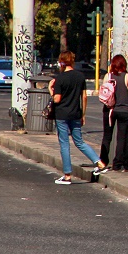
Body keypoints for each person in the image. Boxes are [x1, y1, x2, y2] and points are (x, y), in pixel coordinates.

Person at [49, 51, 106, 184]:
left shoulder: (60, 78)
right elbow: (84, 97)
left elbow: (57, 99)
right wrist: (83, 114)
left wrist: (51, 89)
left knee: (64, 143)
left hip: (62, 114)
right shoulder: (80, 76)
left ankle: (67, 175)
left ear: (61, 62)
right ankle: (99, 163)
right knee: (79, 141)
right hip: (75, 113)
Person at [98, 54, 128, 173]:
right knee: (121, 138)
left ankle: (103, 161)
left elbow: (103, 92)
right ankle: (117, 163)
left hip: (109, 110)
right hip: (124, 110)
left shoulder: (108, 76)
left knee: (107, 136)